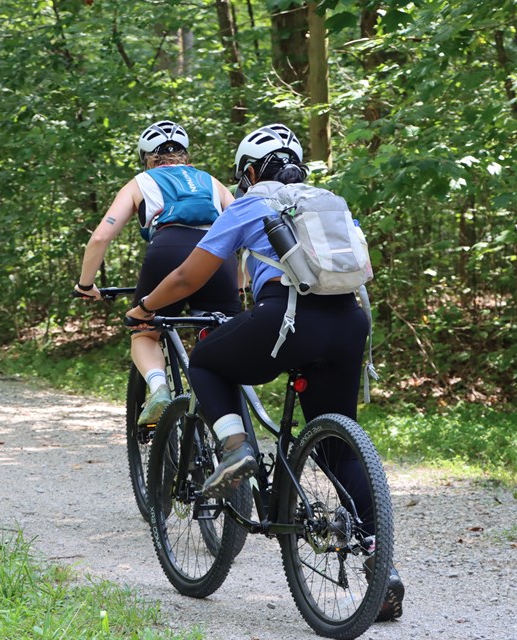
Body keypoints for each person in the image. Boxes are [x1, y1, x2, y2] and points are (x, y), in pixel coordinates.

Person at [125, 123, 404, 621]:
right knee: (338, 448)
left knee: (208, 358)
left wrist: (145, 307)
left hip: (287, 318)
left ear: (250, 172)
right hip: (349, 323)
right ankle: (380, 568)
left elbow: (192, 274)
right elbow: (360, 269)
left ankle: (236, 447)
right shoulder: (331, 200)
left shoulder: (250, 204)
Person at [75, 119, 242, 424]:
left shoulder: (141, 182)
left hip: (170, 251)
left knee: (144, 329)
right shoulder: (210, 181)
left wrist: (86, 285)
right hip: (219, 257)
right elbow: (242, 227)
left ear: (146, 157)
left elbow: (100, 237)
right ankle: (225, 422)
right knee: (220, 335)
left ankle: (159, 388)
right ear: (186, 155)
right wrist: (240, 283)